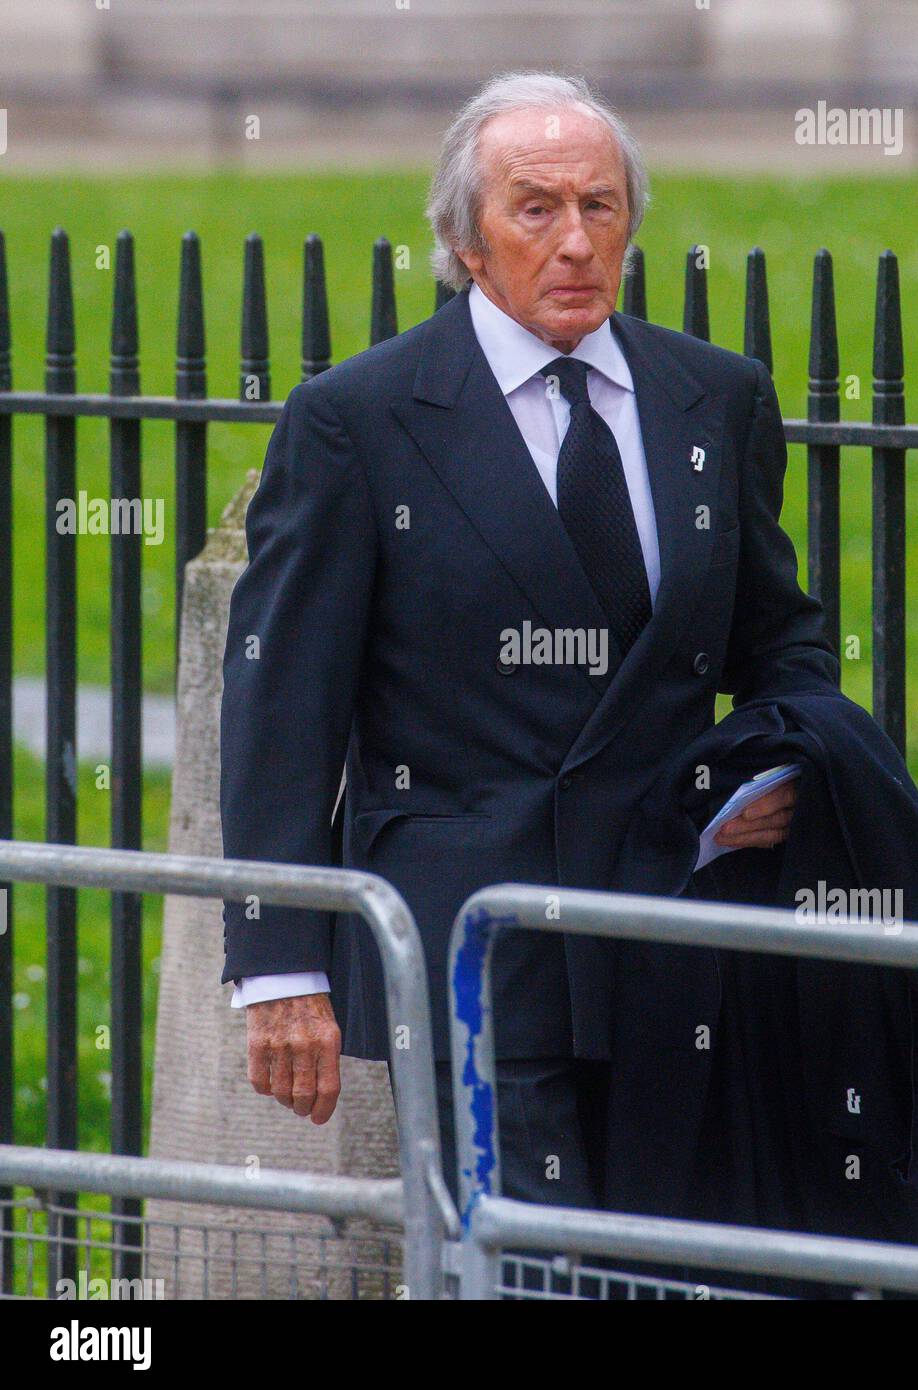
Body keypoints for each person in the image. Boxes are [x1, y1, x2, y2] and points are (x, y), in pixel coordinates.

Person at [219, 70, 834, 1218]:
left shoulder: (715, 400)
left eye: (599, 208)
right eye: (535, 209)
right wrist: (280, 961)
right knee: (516, 1269)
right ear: (465, 237)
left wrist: (773, 768)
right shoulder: (359, 422)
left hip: (668, 934)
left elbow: (780, 642)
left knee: (663, 1270)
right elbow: (281, 707)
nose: (573, 242)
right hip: (471, 949)